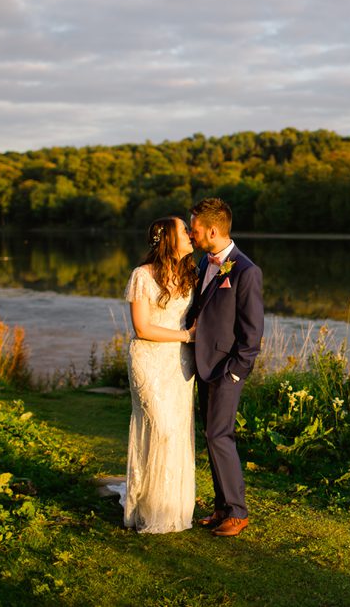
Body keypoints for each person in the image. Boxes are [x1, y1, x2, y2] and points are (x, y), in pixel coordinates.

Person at [186, 198, 264, 538]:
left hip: (226, 369)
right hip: (205, 364)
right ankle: (221, 508)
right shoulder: (205, 263)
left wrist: (235, 371)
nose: (191, 234)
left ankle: (238, 511)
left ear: (212, 230)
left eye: (195, 229)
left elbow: (252, 332)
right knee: (211, 436)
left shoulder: (246, 271)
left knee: (220, 435)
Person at [119, 216, 198, 533]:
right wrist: (187, 337)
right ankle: (147, 509)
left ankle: (171, 509)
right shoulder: (141, 275)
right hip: (149, 362)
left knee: (177, 433)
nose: (191, 234)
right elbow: (142, 327)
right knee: (160, 428)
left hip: (180, 364)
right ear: (167, 238)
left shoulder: (190, 273)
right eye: (184, 231)